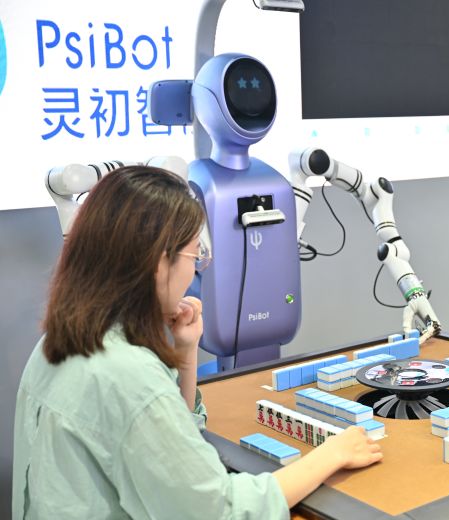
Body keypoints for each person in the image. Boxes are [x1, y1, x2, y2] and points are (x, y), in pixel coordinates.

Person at [12, 166, 382, 519]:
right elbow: (221, 511)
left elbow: (168, 443)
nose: (195, 269)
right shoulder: (128, 377)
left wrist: (186, 351)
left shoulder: (59, 343)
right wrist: (330, 455)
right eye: (195, 254)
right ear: (159, 263)